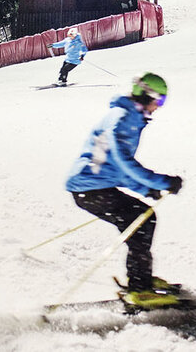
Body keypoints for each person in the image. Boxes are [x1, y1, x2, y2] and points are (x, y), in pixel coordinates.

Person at [65, 72, 183, 309]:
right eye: (159, 101)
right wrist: (162, 182)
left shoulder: (126, 116)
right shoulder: (122, 120)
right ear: (146, 95)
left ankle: (141, 280)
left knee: (143, 220)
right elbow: (123, 164)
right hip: (90, 189)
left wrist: (144, 188)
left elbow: (112, 168)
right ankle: (140, 289)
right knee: (143, 221)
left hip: (92, 186)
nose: (159, 107)